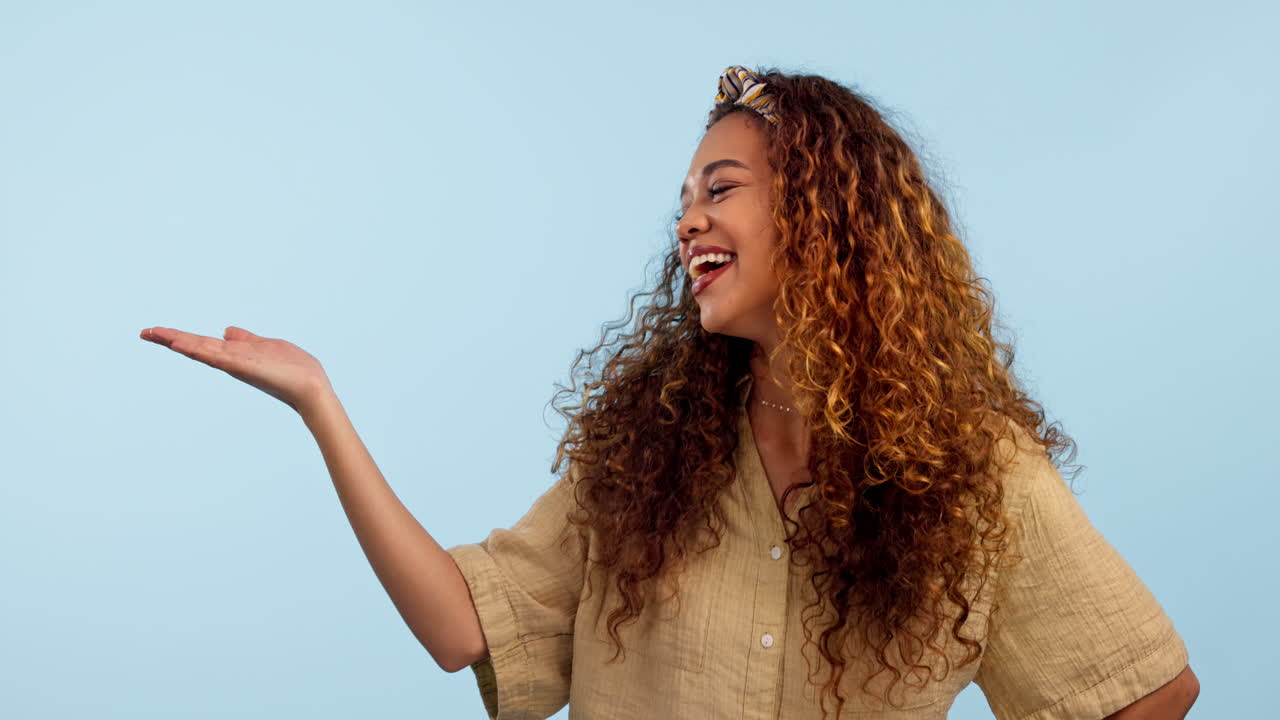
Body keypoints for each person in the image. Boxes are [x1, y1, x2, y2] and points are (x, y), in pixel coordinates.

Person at [139, 65, 1199, 719]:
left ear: (824, 218)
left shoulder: (973, 479)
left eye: (720, 190)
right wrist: (320, 403)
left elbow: (1145, 692)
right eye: (684, 198)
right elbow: (466, 630)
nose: (688, 220)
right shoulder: (647, 452)